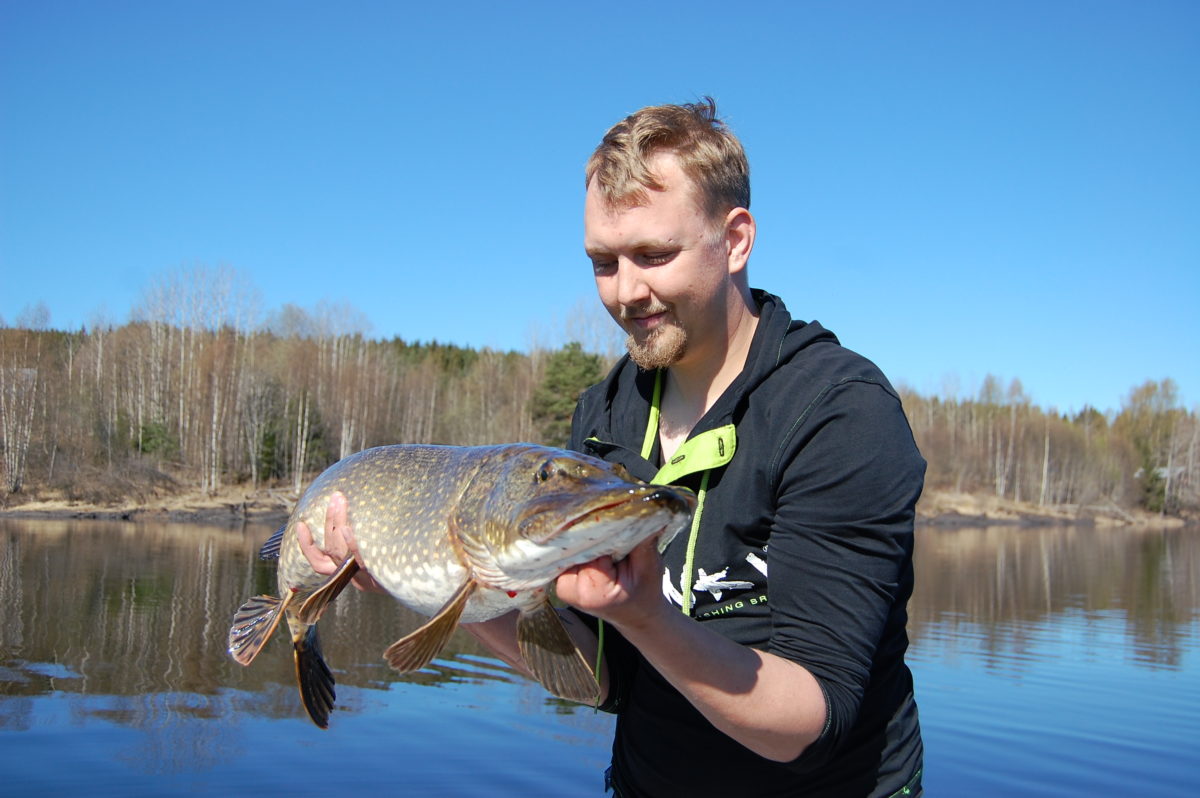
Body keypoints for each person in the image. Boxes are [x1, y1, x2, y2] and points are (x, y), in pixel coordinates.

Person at [299, 98, 926, 797]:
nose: (627, 292)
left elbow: (813, 719)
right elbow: (603, 681)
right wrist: (446, 587)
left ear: (737, 239)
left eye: (654, 255)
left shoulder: (837, 413)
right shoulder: (605, 417)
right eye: (604, 261)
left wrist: (645, 616)